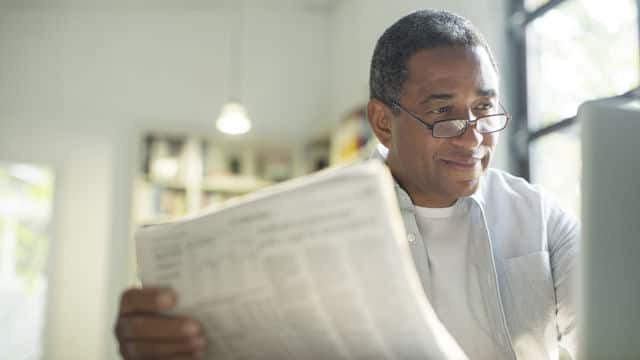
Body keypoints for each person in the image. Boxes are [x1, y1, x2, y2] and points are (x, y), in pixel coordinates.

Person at [115, 9, 578, 359]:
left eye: (483, 108)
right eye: (442, 112)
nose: (474, 135)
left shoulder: (543, 218)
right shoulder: (305, 224)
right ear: (382, 122)